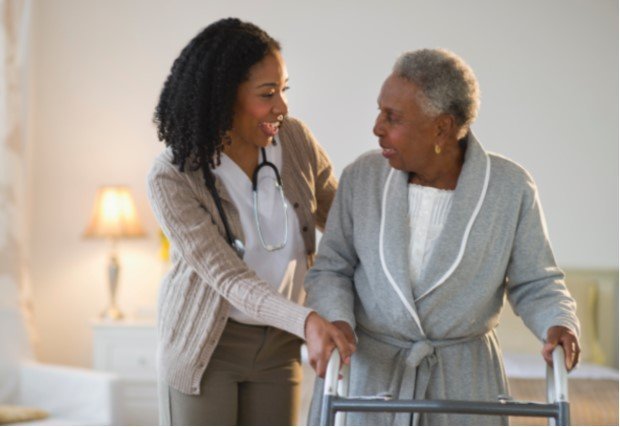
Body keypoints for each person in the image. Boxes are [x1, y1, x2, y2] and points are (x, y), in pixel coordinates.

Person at [305, 48, 581, 425]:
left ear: (442, 127)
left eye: (393, 117)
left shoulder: (510, 188)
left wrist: (559, 323)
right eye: (379, 111)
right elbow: (332, 269)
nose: (377, 127)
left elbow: (537, 282)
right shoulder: (362, 178)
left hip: (464, 384)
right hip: (370, 376)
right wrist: (337, 320)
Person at [147, 18, 354, 426]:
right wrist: (308, 320)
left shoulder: (293, 141)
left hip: (278, 347)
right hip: (207, 348)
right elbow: (228, 278)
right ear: (224, 98)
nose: (282, 106)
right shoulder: (172, 176)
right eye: (267, 93)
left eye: (283, 89)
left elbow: (348, 224)